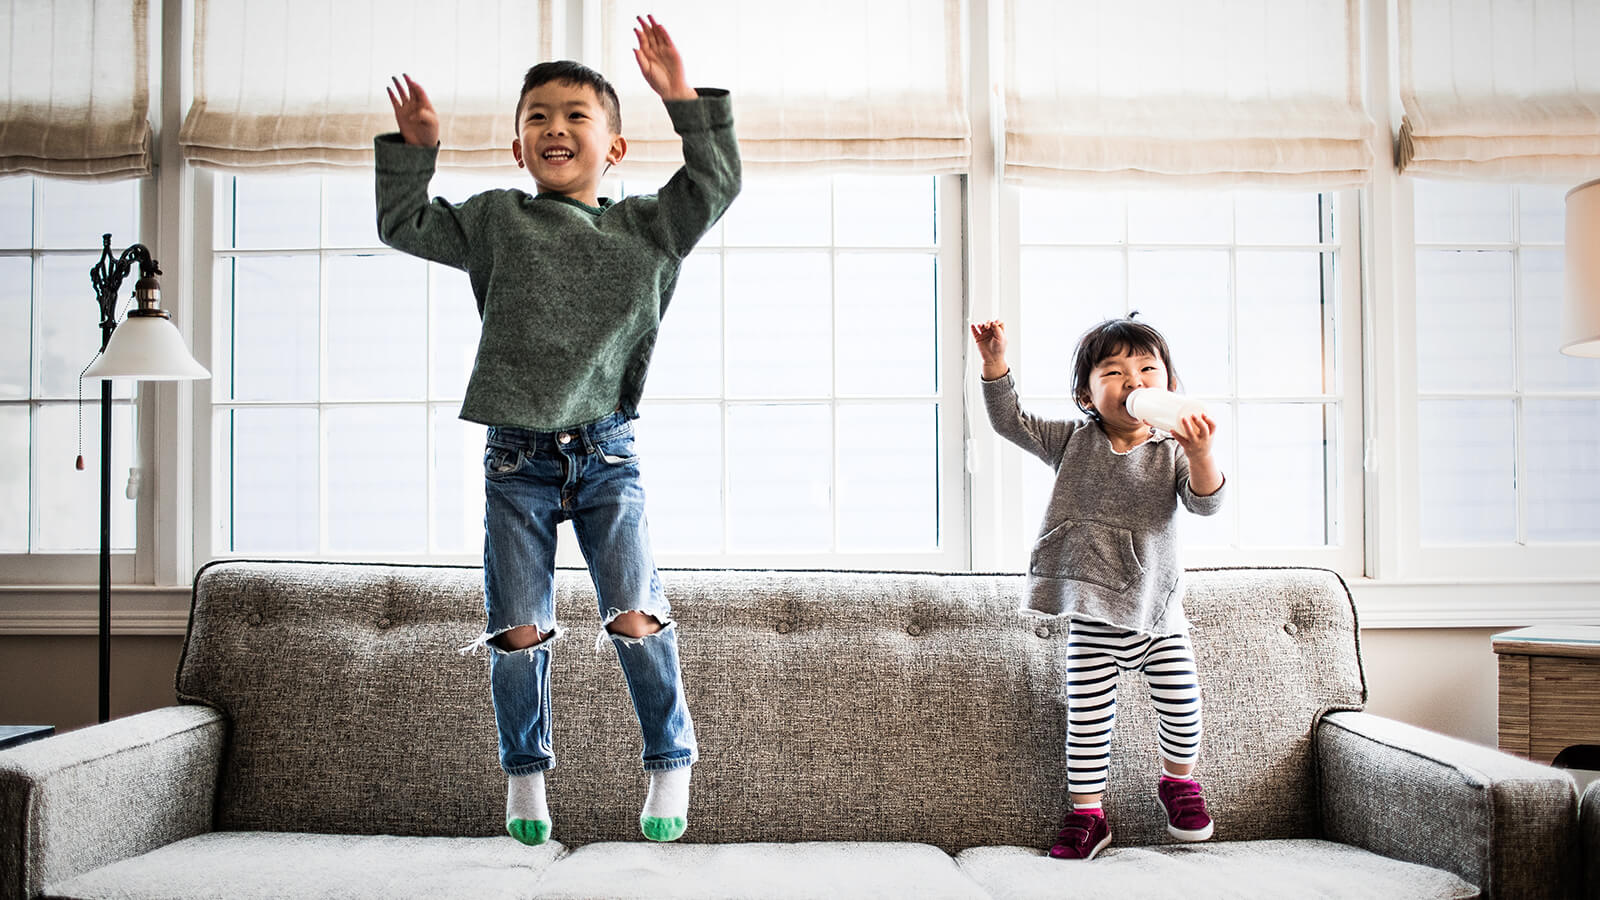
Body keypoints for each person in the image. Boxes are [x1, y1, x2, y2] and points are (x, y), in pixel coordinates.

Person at [375, 16, 739, 846]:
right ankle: (526, 777)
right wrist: (417, 150)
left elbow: (715, 182)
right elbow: (404, 224)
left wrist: (682, 98)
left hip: (607, 453)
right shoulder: (497, 220)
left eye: (577, 115)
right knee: (517, 628)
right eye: (537, 116)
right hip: (516, 459)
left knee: (636, 612)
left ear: (614, 147)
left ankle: (670, 757)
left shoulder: (648, 228)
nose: (555, 127)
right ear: (517, 147)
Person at [970, 314, 1225, 861]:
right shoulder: (1072, 442)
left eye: (1147, 369)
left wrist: (1202, 453)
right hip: (1091, 615)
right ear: (1087, 395)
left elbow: (1205, 504)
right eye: (1113, 371)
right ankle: (1088, 815)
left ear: (1169, 386)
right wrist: (994, 363)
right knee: (1086, 726)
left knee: (1183, 710)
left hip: (1156, 617)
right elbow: (1010, 421)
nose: (1133, 380)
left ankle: (1178, 782)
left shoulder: (1171, 451)